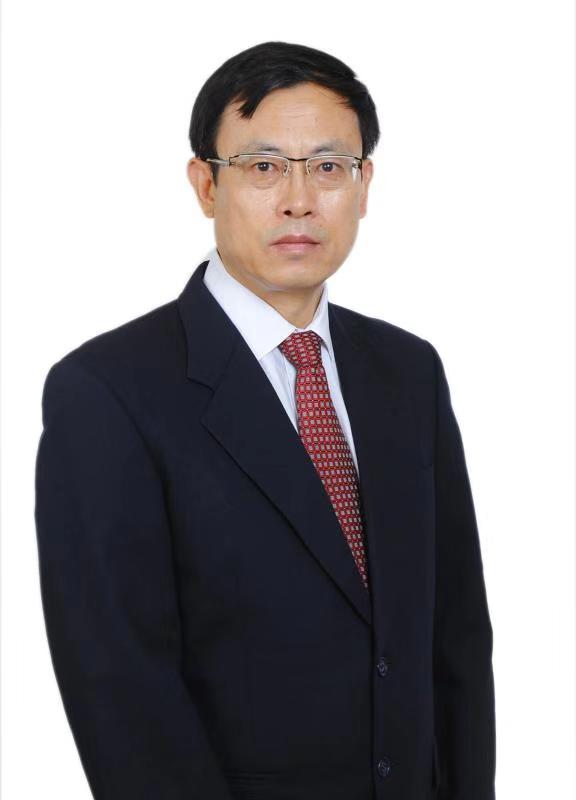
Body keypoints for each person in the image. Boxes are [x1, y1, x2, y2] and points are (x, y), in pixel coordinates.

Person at [34, 40, 496, 800]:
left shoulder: (409, 372)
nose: (299, 200)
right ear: (205, 185)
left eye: (329, 167)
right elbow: (121, 691)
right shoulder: (108, 391)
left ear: (364, 185)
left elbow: (456, 640)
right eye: (263, 166)